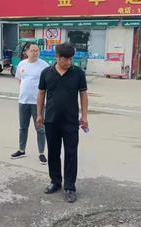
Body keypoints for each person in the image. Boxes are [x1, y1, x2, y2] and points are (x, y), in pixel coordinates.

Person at [37, 42, 89, 204]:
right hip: (51, 120)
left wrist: (85, 116)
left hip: (71, 121)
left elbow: (83, 95)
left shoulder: (78, 73)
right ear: (57, 57)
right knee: (53, 152)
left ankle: (70, 187)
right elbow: (41, 94)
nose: (69, 62)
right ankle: (55, 182)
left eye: (71, 59)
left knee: (71, 154)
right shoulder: (46, 73)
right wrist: (39, 114)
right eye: (65, 59)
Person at [10, 43, 49, 164]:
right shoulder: (22, 64)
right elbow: (20, 80)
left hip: (38, 103)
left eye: (37, 51)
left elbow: (48, 83)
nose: (35, 53)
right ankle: (22, 150)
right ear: (27, 52)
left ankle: (41, 153)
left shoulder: (44, 65)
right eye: (32, 50)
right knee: (23, 128)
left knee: (40, 128)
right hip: (23, 101)